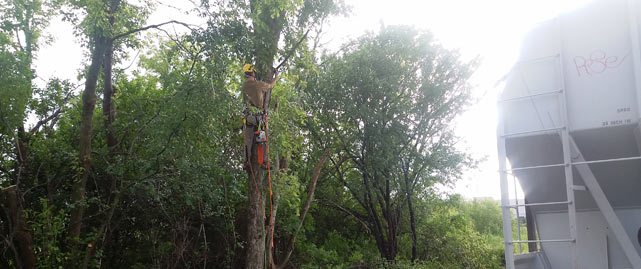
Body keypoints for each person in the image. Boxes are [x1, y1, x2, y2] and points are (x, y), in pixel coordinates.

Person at [242, 64, 279, 169]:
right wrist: (276, 76)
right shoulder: (258, 84)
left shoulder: (244, 86)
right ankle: (263, 162)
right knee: (262, 139)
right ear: (253, 72)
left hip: (248, 116)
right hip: (258, 117)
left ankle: (246, 162)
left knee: (248, 140)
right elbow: (270, 86)